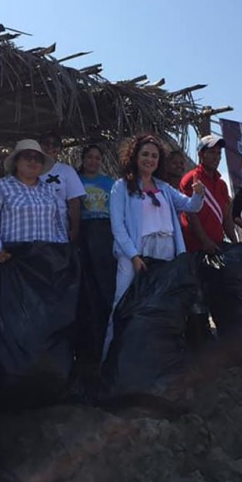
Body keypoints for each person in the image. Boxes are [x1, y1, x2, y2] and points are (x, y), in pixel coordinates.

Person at [104, 133, 204, 358]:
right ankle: (112, 359)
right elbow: (117, 226)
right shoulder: (121, 186)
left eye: (154, 156)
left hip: (166, 250)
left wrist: (199, 195)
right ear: (135, 156)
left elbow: (190, 206)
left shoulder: (164, 188)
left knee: (162, 304)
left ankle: (156, 359)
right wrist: (133, 256)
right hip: (136, 252)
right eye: (145, 154)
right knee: (122, 303)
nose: (149, 159)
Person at [0, 139, 66, 262]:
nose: (33, 161)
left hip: (48, 260)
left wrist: (62, 251)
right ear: (16, 161)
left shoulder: (49, 189)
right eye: (27, 156)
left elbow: (58, 224)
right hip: (15, 260)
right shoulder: (0, 186)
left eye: (38, 158)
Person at [76, 144, 117, 374]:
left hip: (105, 235)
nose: (93, 161)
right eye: (89, 157)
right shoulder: (75, 180)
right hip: (84, 234)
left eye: (97, 157)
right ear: (83, 159)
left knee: (105, 289)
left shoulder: (109, 183)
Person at [180, 134, 238, 254]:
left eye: (218, 153)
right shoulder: (191, 178)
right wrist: (205, 241)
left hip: (218, 246)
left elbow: (226, 217)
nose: (216, 157)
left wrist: (235, 242)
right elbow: (191, 215)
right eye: (212, 152)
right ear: (201, 154)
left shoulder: (221, 184)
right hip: (195, 249)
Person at [39, 131, 86, 243]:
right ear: (40, 145)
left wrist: (75, 229)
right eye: (46, 143)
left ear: (59, 149)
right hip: (33, 230)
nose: (50, 147)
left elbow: (74, 202)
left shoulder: (66, 171)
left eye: (55, 144)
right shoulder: (31, 169)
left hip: (58, 232)